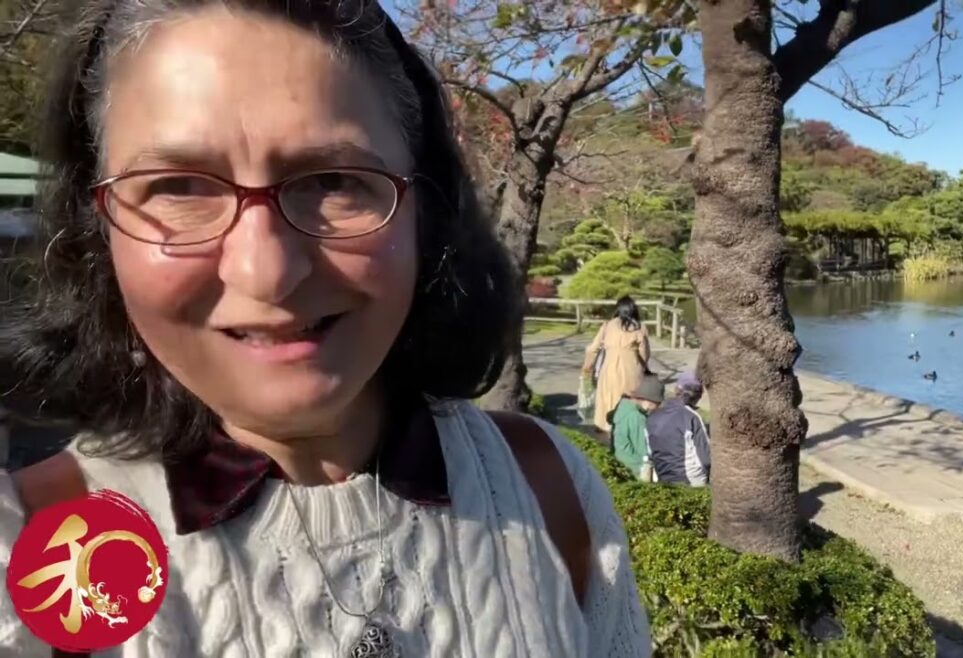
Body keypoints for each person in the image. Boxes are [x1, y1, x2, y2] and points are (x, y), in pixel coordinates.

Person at [0, 2, 649, 656]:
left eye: (334, 180)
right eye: (177, 187)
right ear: (101, 229)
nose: (266, 272)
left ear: (424, 207)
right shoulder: (31, 551)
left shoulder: (546, 486)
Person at [582, 296, 651, 434]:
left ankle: (605, 426)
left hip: (609, 368)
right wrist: (642, 365)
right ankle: (628, 428)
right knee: (629, 399)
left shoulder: (607, 325)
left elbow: (592, 349)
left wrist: (587, 365)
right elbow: (645, 354)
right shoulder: (639, 327)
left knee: (607, 396)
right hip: (631, 368)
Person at [647, 372, 712, 486]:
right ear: (698, 396)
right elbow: (706, 458)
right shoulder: (691, 417)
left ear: (676, 390)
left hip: (662, 477)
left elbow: (649, 451)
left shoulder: (653, 416)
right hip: (690, 480)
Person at [608, 376, 665, 478]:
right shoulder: (637, 418)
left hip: (619, 461)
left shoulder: (623, 405)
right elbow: (643, 451)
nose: (657, 408)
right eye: (657, 404)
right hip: (634, 469)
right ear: (649, 402)